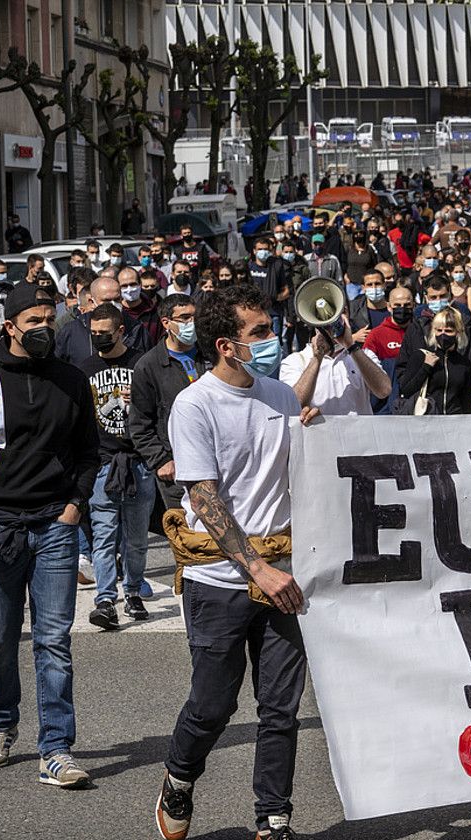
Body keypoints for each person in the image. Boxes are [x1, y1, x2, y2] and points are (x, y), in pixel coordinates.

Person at [156, 284, 318, 840]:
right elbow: (204, 497)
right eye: (260, 333)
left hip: (284, 572)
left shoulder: (280, 396)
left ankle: (273, 819)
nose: (272, 340)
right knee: (213, 704)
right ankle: (180, 776)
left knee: (280, 708)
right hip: (220, 579)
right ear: (227, 345)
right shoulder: (194, 404)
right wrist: (258, 569)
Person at [0, 282, 100, 787]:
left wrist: (75, 506)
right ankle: (0, 724)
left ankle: (55, 749)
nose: (43, 330)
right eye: (33, 321)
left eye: (48, 320)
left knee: (53, 641)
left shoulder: (72, 380)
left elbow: (87, 452)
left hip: (55, 526)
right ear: (9, 326)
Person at [75, 303, 156, 629]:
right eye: (94, 334)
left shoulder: (142, 364)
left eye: (105, 334)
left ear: (121, 331)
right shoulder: (84, 369)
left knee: (136, 539)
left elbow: (157, 411)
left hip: (139, 464)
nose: (99, 339)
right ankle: (105, 600)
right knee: (104, 538)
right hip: (103, 466)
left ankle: (133, 590)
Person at [131, 293, 207, 513]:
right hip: (177, 468)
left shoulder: (211, 353)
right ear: (166, 323)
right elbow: (140, 423)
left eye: (194, 317)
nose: (191, 323)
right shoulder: (149, 366)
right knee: (187, 537)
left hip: (217, 458)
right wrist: (160, 460)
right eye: (184, 318)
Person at [279, 313, 392, 416]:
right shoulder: (294, 361)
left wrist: (351, 346)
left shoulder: (364, 355)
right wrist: (317, 358)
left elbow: (384, 390)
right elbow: (294, 405)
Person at [395, 307, 471, 415]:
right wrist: (426, 367)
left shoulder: (463, 363)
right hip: (428, 418)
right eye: (439, 330)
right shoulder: (422, 356)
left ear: (458, 332)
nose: (443, 335)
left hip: (454, 420)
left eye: (448, 331)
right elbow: (406, 390)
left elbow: (466, 399)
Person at [364, 285, 415, 413]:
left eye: (407, 305)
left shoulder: (420, 332)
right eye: (397, 305)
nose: (402, 309)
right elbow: (367, 372)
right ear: (389, 306)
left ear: (413, 305)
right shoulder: (376, 335)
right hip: (384, 409)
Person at [117, 267, 160, 351]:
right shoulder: (117, 313)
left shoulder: (155, 312)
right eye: (124, 286)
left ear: (140, 284)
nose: (129, 289)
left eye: (133, 284)